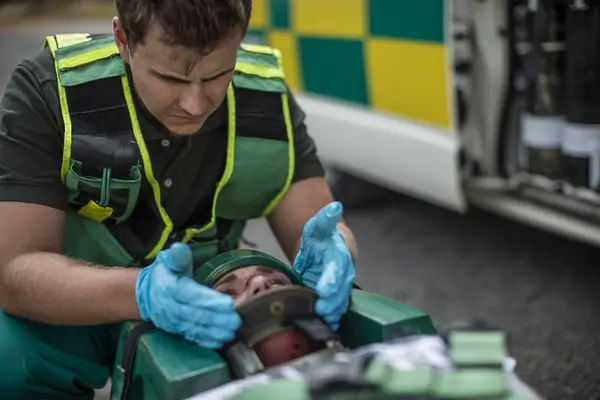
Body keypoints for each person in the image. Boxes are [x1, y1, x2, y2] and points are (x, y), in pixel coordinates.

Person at [0, 0, 358, 398]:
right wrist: (142, 293)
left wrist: (337, 249)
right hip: (77, 298)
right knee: (7, 358)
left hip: (213, 306)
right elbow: (14, 272)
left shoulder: (266, 98)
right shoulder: (49, 90)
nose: (195, 104)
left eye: (218, 75)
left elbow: (320, 227)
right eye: (169, 78)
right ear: (123, 39)